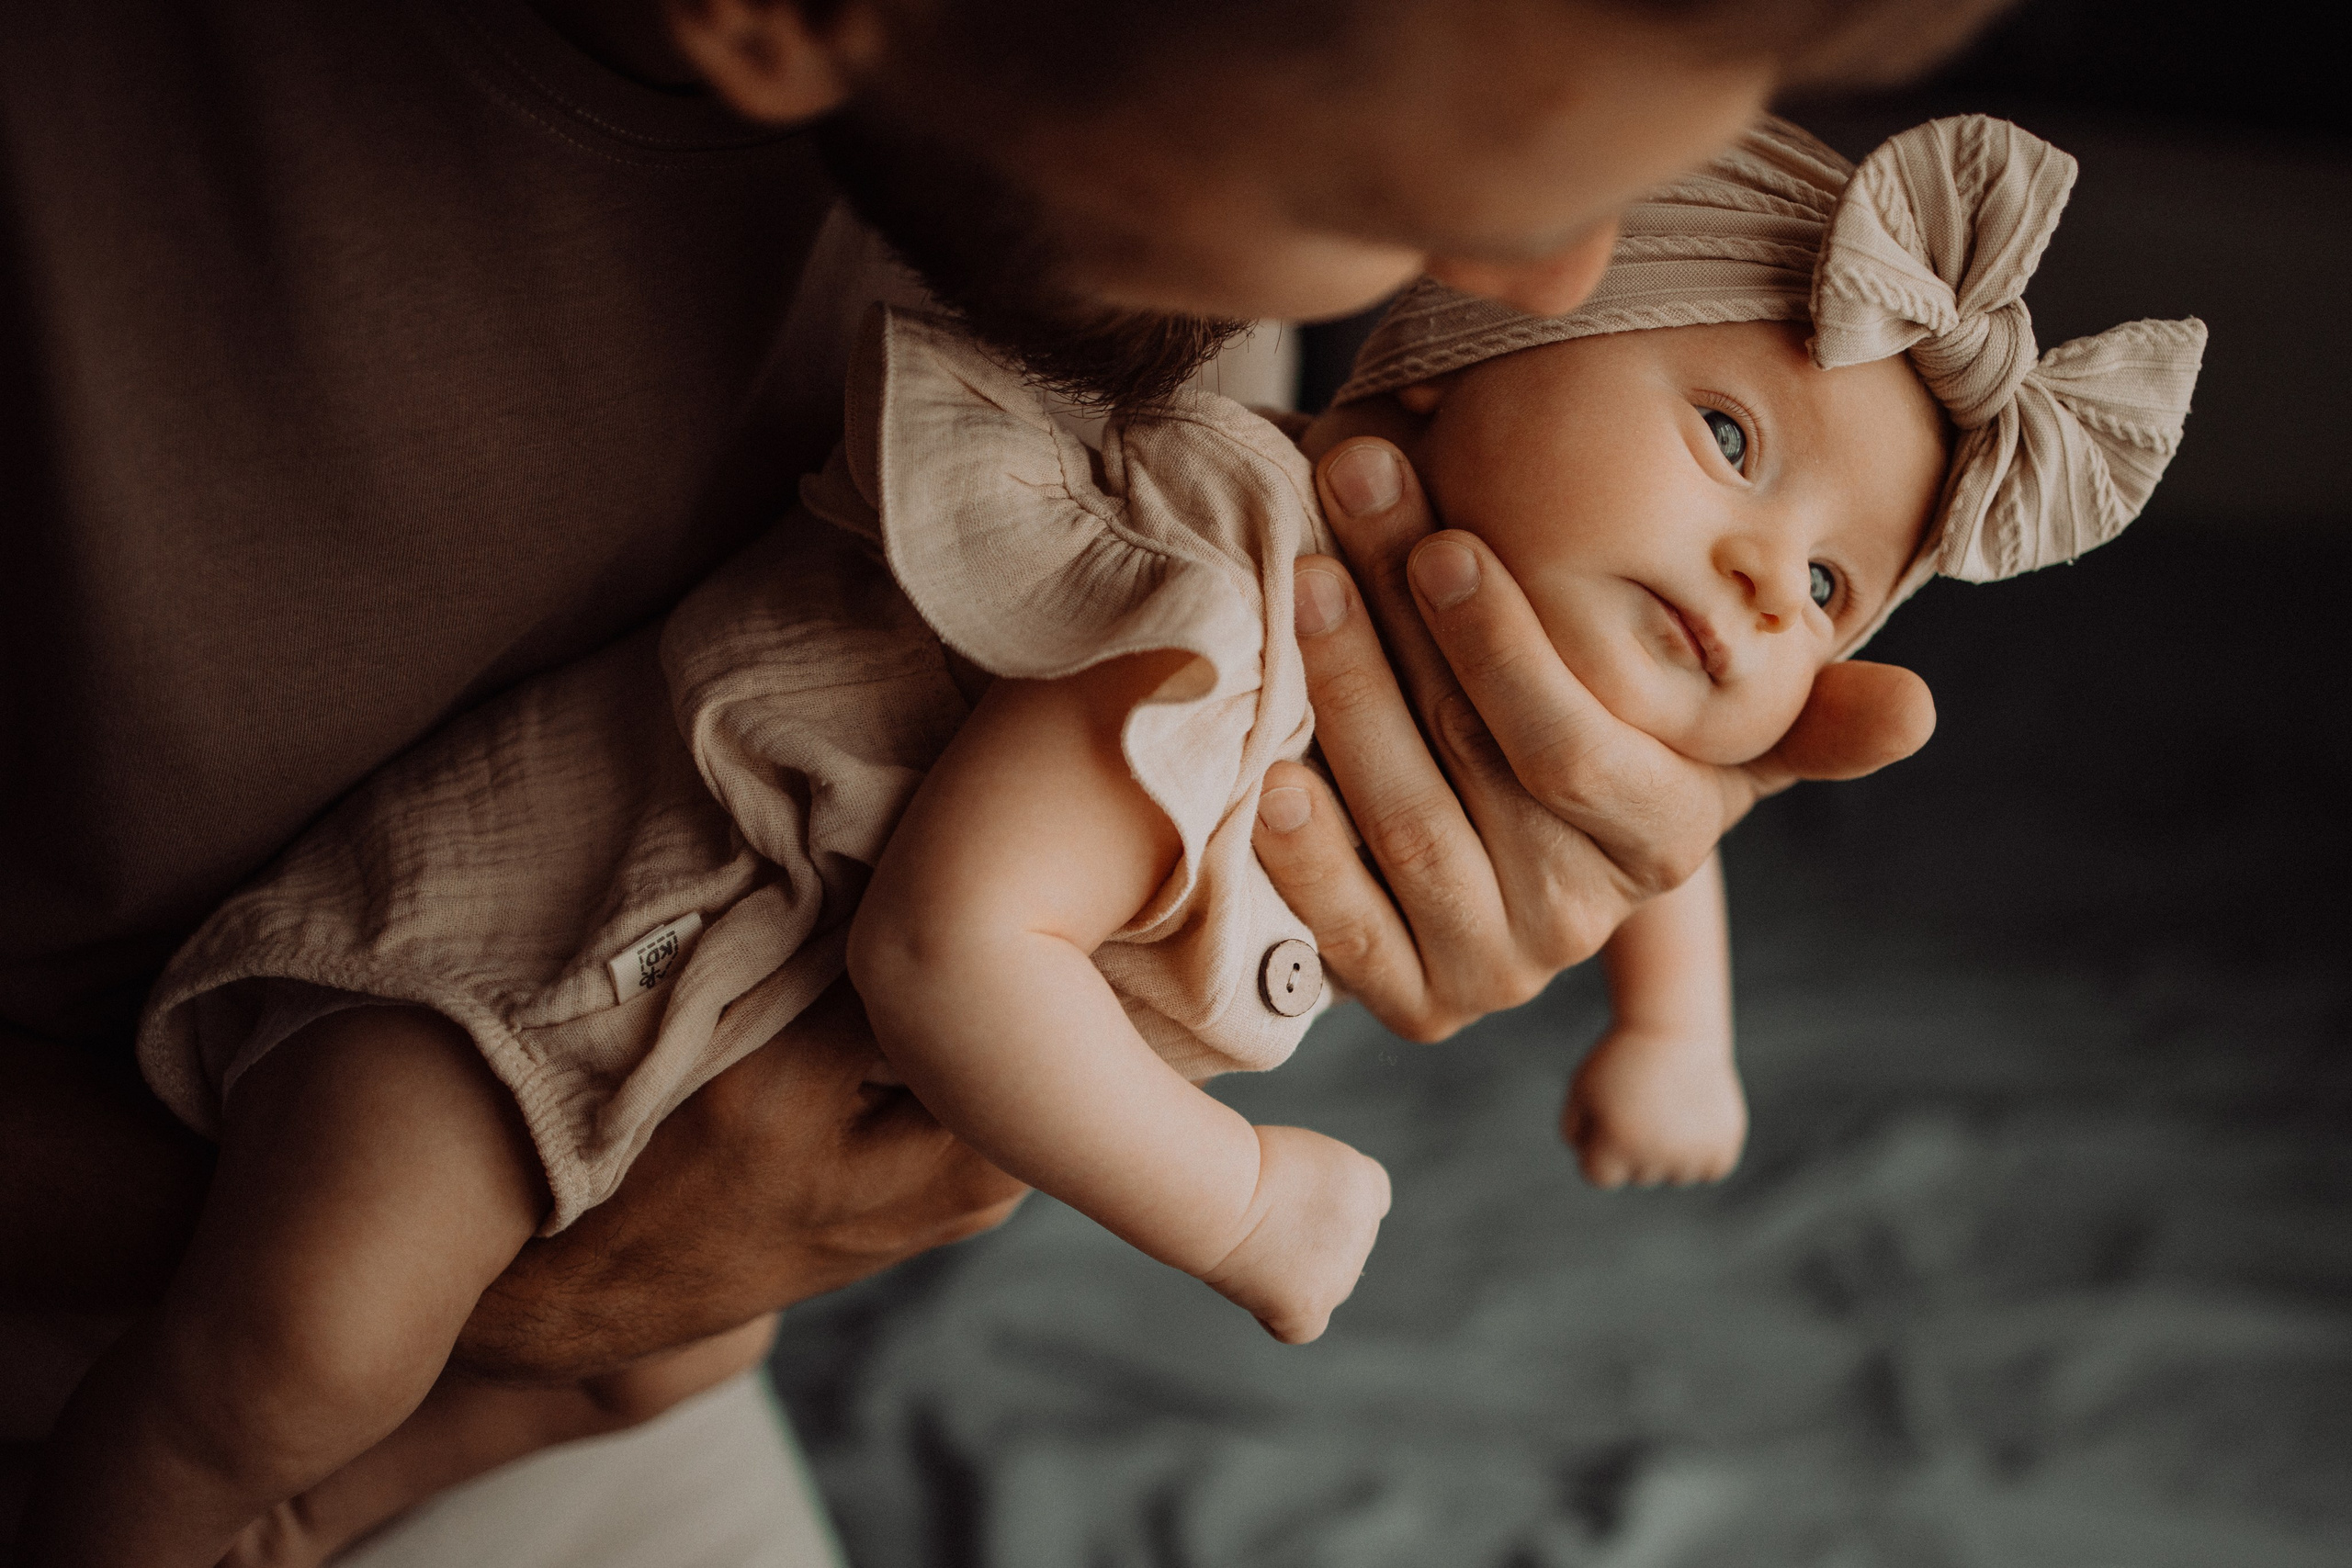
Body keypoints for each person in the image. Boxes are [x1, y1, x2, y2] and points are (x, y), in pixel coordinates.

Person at [20, 114, 2205, 1565]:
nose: (1759, 585)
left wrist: (1672, 1035)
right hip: (530, 989)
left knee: (651, 1355)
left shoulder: (1467, 643)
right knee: (303, 1326)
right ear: (1462, 352)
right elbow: (953, 952)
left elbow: (1655, 850)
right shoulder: (1201, 581)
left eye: (1826, 585)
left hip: (683, 1131)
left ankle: (308, 1510)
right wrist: (1228, 1193)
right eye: (1725, 435)